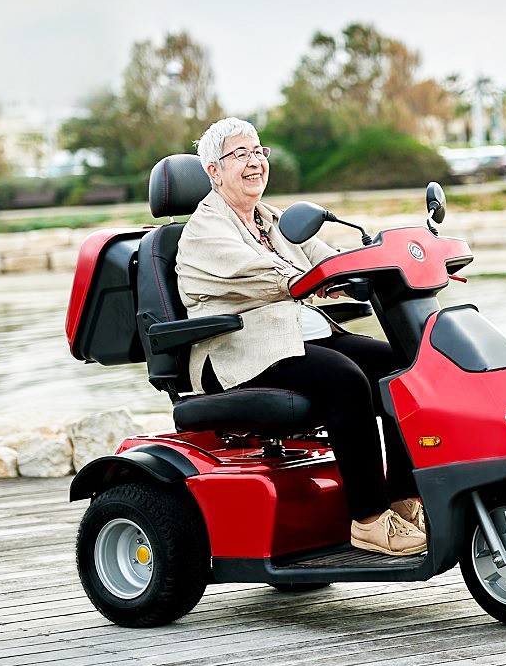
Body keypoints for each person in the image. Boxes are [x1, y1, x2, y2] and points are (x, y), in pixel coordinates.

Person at [175, 117, 426, 557]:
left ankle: (405, 501)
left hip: (293, 340)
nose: (255, 162)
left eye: (259, 152)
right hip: (237, 351)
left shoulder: (274, 221)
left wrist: (377, 269)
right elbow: (264, 276)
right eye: (240, 155)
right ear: (213, 171)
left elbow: (326, 259)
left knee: (401, 366)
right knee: (346, 379)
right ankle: (369, 520)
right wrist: (313, 280)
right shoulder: (204, 231)